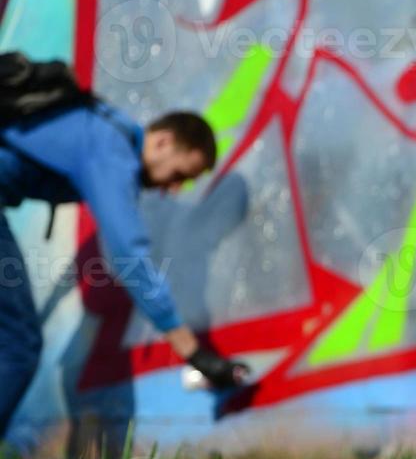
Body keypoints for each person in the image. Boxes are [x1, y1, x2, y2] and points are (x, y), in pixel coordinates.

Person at [0, 100, 247, 441]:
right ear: (161, 141)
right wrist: (193, 351)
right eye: (178, 175)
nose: (173, 189)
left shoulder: (104, 130)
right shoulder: (112, 152)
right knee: (18, 346)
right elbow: (129, 258)